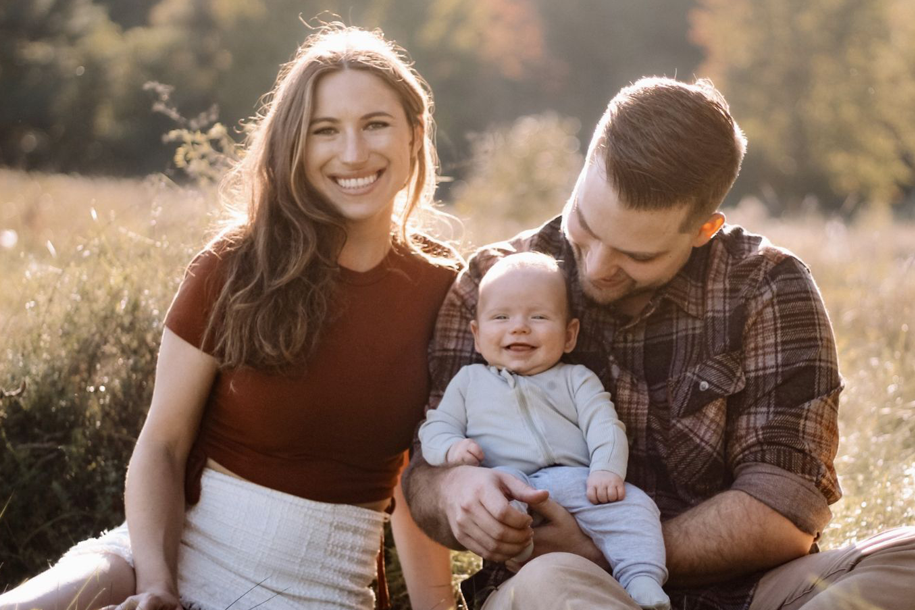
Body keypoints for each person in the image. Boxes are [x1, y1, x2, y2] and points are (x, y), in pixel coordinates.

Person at [402, 77, 915, 610]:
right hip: (560, 582)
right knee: (549, 585)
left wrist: (615, 548)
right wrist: (454, 492)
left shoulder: (768, 286)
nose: (596, 268)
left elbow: (785, 512)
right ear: (583, 171)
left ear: (704, 228)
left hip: (755, 592)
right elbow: (426, 474)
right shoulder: (497, 281)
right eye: (585, 225)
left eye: (636, 255)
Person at [0, 25, 460, 610]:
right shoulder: (235, 266)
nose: (353, 153)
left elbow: (424, 477)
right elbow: (161, 447)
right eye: (325, 131)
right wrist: (157, 588)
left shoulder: (450, 289)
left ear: (414, 135)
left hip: (322, 591)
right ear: (294, 144)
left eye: (375, 124)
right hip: (163, 560)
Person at [417, 252, 670, 610]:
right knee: (498, 505)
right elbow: (435, 427)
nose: (519, 327)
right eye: (501, 317)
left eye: (538, 316)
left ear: (569, 335)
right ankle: (521, 553)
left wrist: (606, 470)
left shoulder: (576, 378)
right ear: (476, 335)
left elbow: (604, 425)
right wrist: (451, 449)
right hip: (506, 480)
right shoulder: (468, 382)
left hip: (575, 482)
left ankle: (641, 577)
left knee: (635, 506)